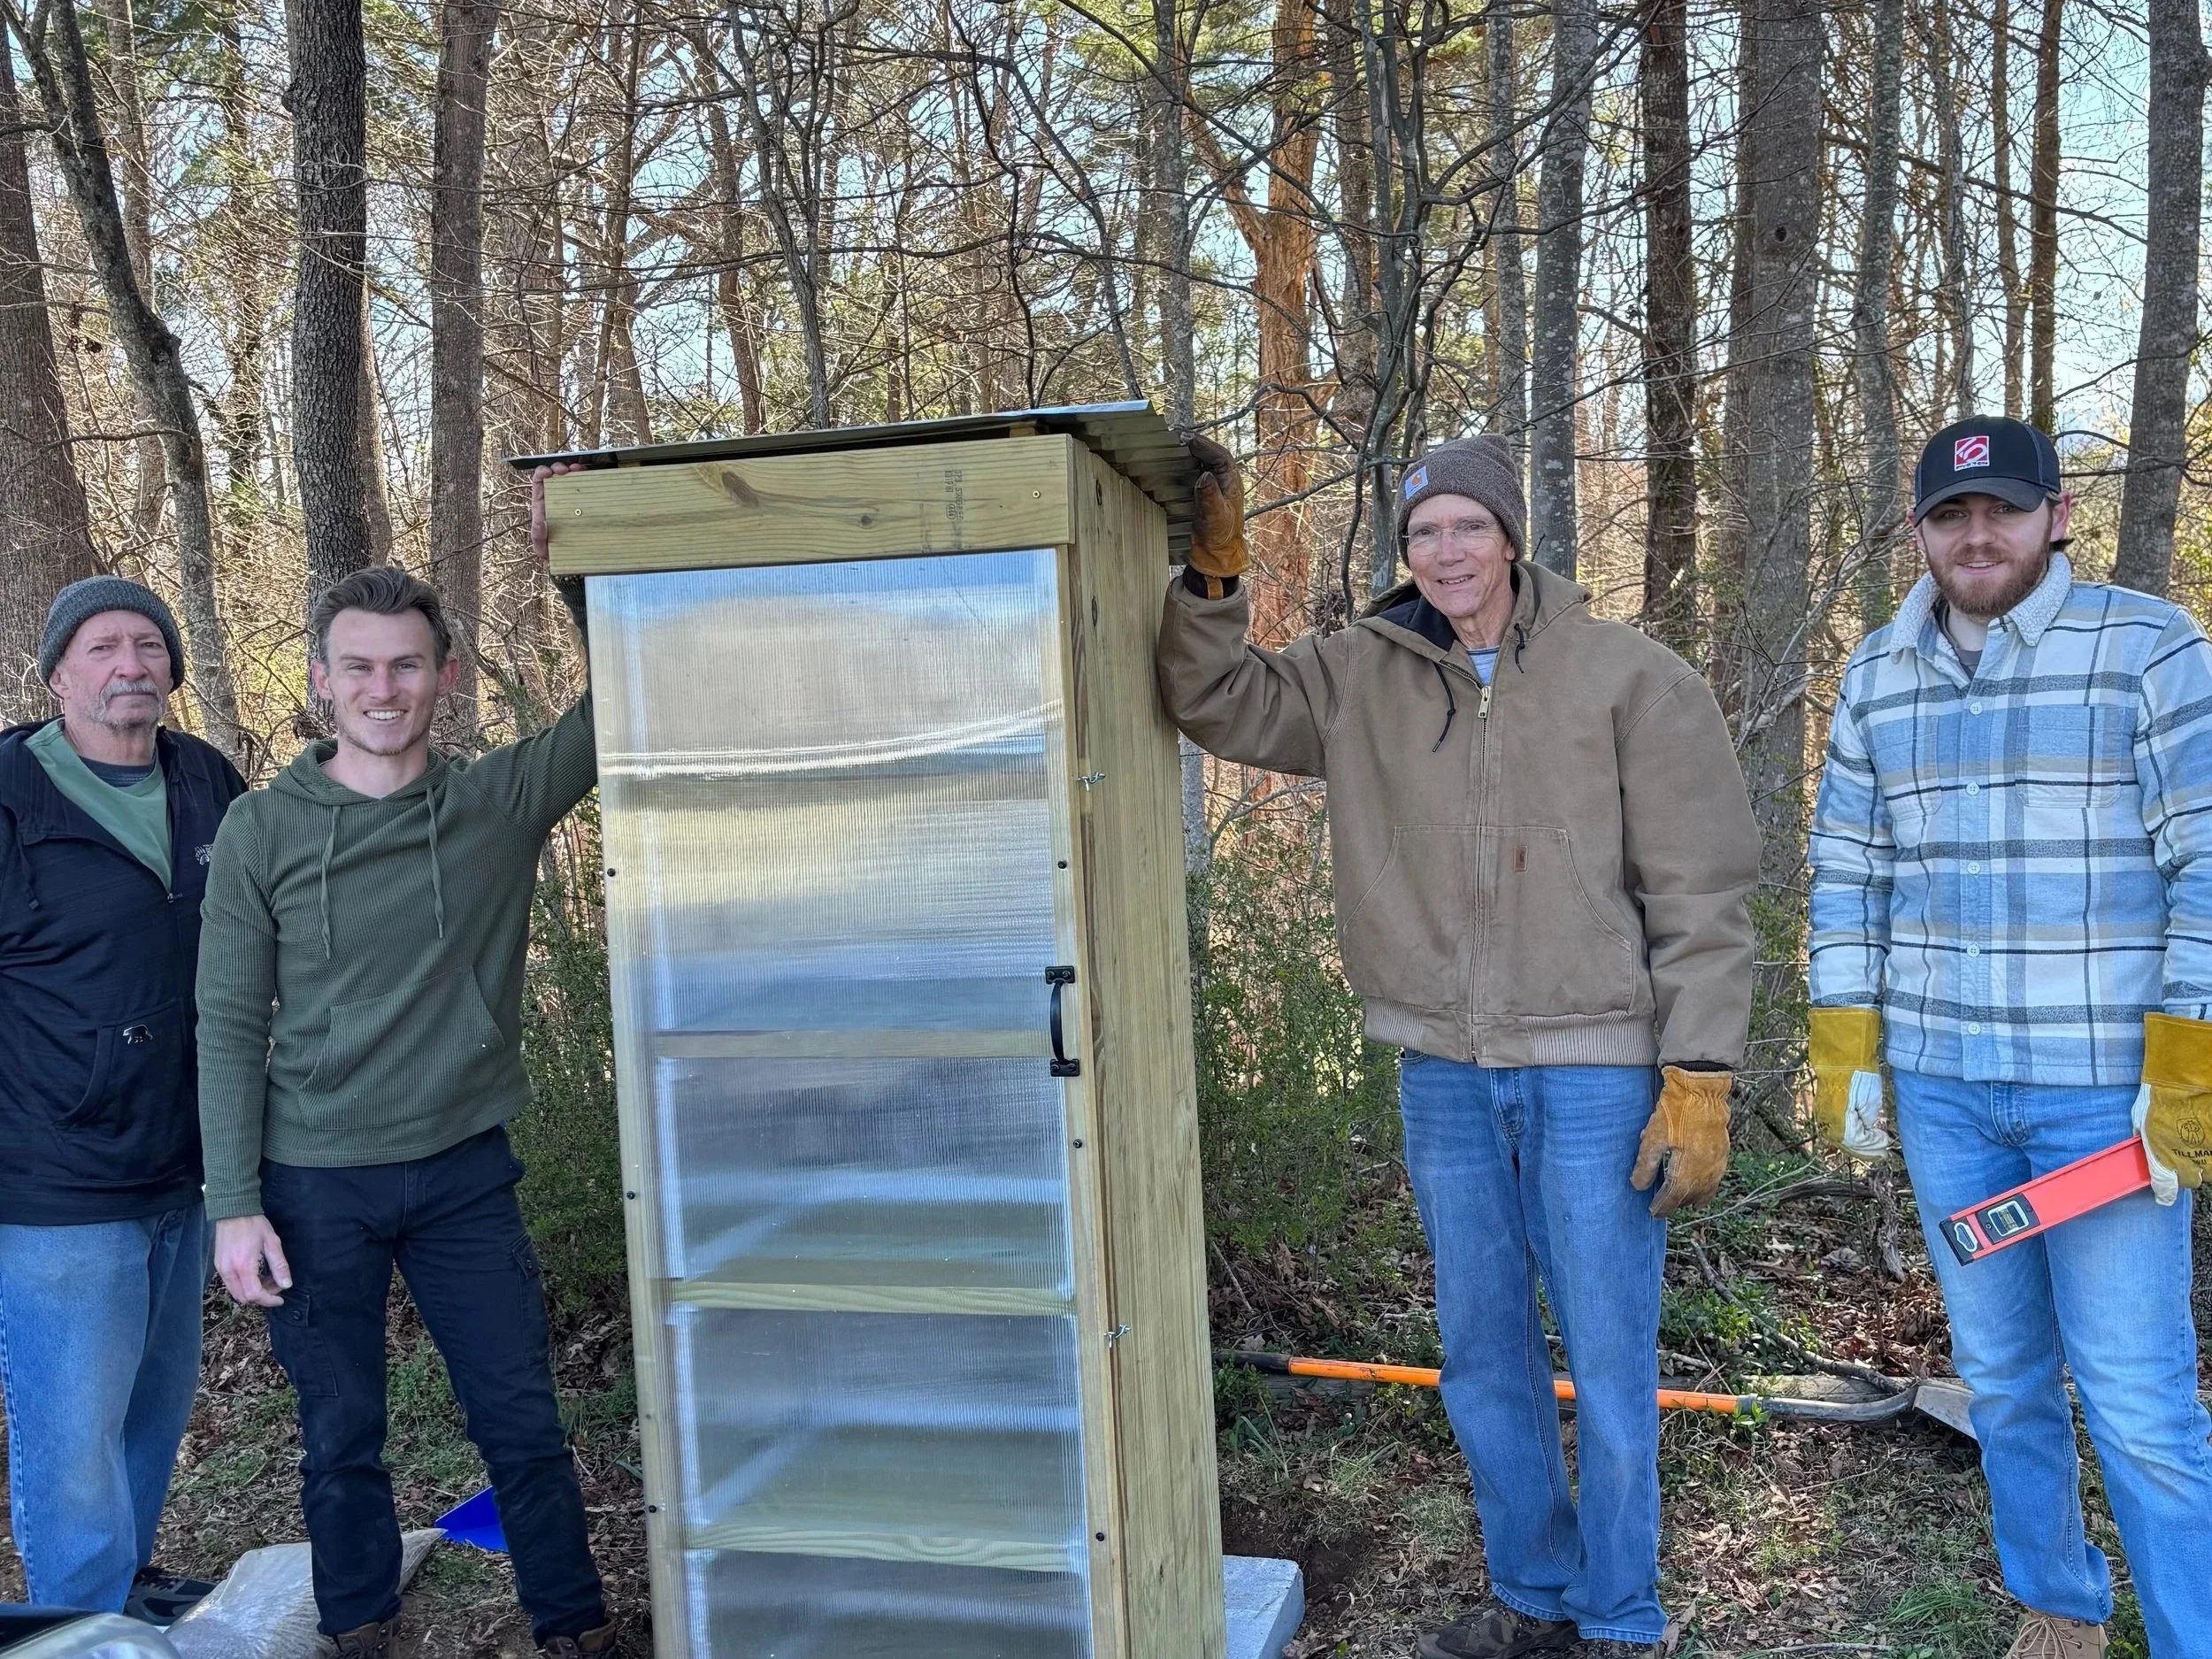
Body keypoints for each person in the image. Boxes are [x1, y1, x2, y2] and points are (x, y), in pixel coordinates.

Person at [1159, 435, 1759, 1659]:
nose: (1447, 553)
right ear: (1405, 551)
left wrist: (1697, 1072)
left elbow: (1702, 891)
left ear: (1510, 536)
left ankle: (1624, 1616)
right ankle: (1532, 1598)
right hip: (1441, 1070)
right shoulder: (1356, 674)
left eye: (1468, 528)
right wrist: (1213, 587)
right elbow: (1218, 701)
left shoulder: (1628, 676)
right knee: (1484, 1351)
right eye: (1425, 532)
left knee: (1607, 1354)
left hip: (1595, 1070)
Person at [1809, 416, 2212, 1659]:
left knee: (2140, 1399)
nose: (1976, 535)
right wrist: (1847, 1042)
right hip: (1946, 1092)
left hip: (2104, 1099)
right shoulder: (1879, 670)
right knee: (2003, 1375)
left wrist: (2186, 1064)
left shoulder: (2150, 647)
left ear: (2059, 514)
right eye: (1950, 515)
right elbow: (1847, 867)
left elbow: (2207, 860)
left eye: (2004, 509)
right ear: (1919, 530)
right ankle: (2060, 1604)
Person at [195, 480, 611, 1658]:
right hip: (315, 1175)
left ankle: (574, 1627)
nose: (385, 687)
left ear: (447, 675)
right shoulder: (264, 831)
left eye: (408, 664)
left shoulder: (497, 802)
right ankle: (360, 1627)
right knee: (341, 1433)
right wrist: (236, 1203)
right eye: (360, 666)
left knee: (521, 1420)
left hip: (463, 1172)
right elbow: (224, 1020)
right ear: (323, 680)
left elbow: (621, 703)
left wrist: (574, 564)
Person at [0, 579, 244, 1618]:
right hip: (57, 1176)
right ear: (59, 673)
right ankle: (76, 1626)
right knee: (70, 1426)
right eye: (103, 648)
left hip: (185, 1160)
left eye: (149, 646)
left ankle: (126, 1589)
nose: (131, 666)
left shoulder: (205, 779)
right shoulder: (12, 796)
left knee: (153, 1403)